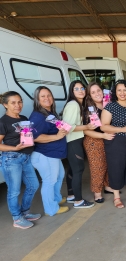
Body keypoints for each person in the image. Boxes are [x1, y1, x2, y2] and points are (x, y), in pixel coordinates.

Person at [0, 91, 41, 229]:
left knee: (33, 185)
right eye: (13, 102)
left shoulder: (23, 118)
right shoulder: (3, 122)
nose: (18, 105)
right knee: (14, 191)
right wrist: (14, 147)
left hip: (26, 158)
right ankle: (17, 219)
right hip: (11, 159)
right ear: (5, 104)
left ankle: (25, 212)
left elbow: (26, 135)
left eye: (20, 102)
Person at [100, 79, 126, 209]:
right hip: (115, 143)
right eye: (119, 90)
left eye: (125, 90)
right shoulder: (110, 106)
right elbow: (104, 127)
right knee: (115, 168)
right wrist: (121, 129)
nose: (122, 93)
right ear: (115, 92)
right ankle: (117, 197)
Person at [29, 86, 69, 216]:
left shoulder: (49, 113)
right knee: (49, 181)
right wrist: (56, 136)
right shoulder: (38, 116)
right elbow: (35, 137)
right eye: (43, 96)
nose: (47, 98)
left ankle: (56, 199)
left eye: (49, 95)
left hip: (53, 154)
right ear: (37, 99)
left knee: (59, 176)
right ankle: (51, 209)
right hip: (44, 155)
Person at [62, 80, 96, 209]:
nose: (80, 90)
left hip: (73, 141)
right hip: (73, 141)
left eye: (82, 88)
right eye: (76, 89)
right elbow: (68, 127)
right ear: (72, 91)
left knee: (72, 169)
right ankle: (78, 201)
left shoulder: (77, 104)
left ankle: (71, 195)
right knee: (78, 170)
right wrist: (86, 126)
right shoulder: (73, 105)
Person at [82, 82, 115, 203]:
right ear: (89, 96)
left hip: (106, 139)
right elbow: (86, 131)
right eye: (93, 92)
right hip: (93, 141)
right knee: (97, 167)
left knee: (107, 164)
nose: (97, 94)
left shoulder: (108, 105)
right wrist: (103, 135)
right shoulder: (89, 110)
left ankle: (107, 186)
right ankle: (97, 193)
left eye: (99, 91)